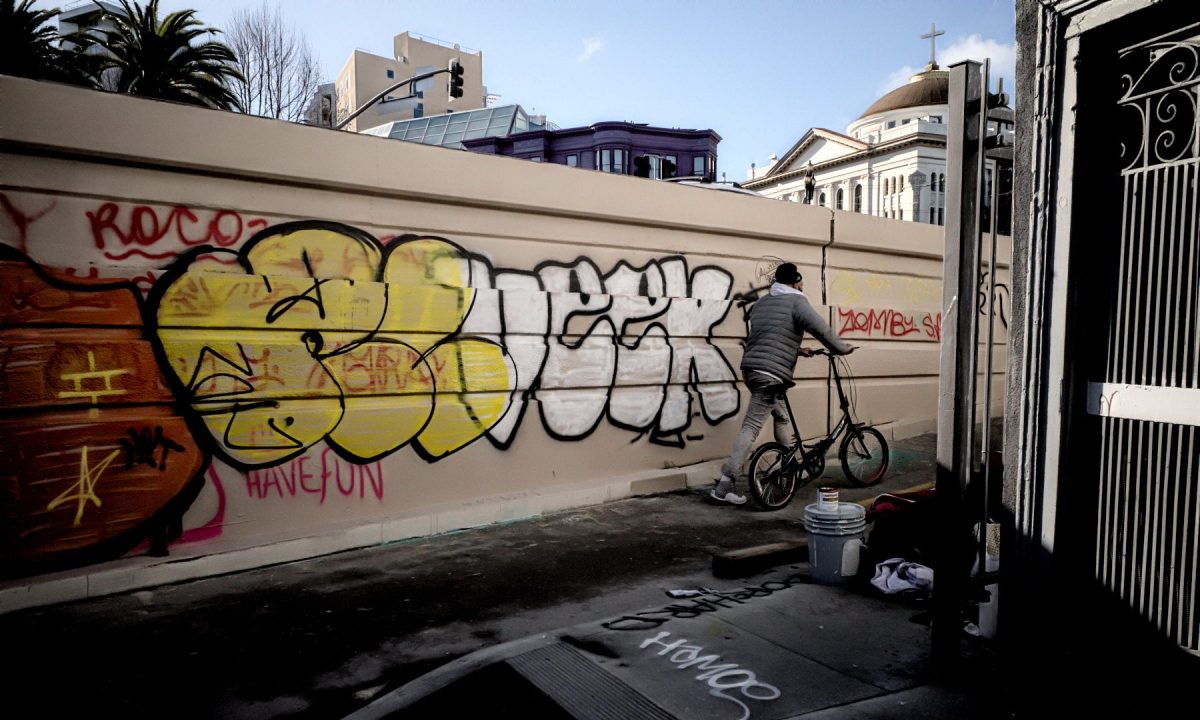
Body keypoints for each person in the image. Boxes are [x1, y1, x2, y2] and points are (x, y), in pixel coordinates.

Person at [712, 262, 855, 504]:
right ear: (795, 281)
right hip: (771, 374)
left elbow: (769, 337)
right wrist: (842, 348)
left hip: (752, 369)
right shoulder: (797, 301)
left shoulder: (763, 303)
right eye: (801, 282)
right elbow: (821, 328)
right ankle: (725, 485)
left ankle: (788, 466)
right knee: (751, 426)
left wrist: (799, 351)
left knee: (782, 417)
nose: (802, 286)